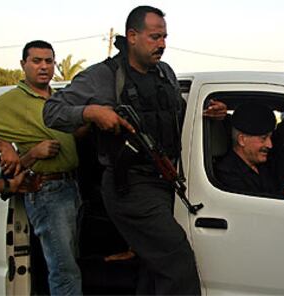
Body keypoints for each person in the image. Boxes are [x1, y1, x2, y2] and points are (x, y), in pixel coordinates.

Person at [43, 6, 226, 295]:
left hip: (166, 179)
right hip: (130, 185)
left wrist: (205, 113)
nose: (162, 44)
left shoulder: (164, 73)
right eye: (155, 37)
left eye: (165, 37)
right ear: (132, 36)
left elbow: (172, 114)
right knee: (177, 262)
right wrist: (91, 112)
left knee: (152, 268)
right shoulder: (103, 76)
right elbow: (51, 111)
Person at [0, 40, 82, 295]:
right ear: (23, 65)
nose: (44, 67)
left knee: (71, 263)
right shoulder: (10, 101)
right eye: (36, 61)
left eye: (49, 61)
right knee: (64, 271)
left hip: (71, 186)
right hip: (46, 190)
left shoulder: (59, 98)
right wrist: (3, 146)